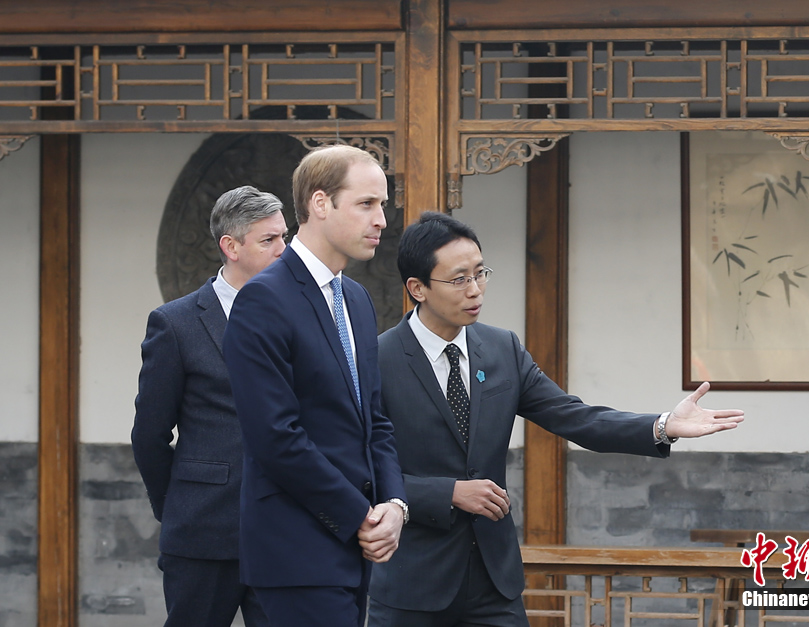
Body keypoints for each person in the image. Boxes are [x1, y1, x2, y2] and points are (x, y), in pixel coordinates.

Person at [368, 211, 745, 627]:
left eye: (481, 273)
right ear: (417, 288)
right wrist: (448, 493)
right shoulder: (375, 359)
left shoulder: (501, 349)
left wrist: (661, 425)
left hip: (495, 585)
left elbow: (572, 416)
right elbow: (361, 471)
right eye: (459, 279)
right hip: (413, 586)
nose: (475, 290)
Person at [221, 145, 408, 627]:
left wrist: (394, 504)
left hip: (356, 546)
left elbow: (376, 420)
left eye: (382, 205)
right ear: (321, 204)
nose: (381, 220)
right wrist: (358, 516)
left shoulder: (357, 299)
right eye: (367, 204)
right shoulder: (263, 299)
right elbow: (275, 437)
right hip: (296, 548)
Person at [132, 185, 289, 627]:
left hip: (285, 531)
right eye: (269, 240)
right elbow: (149, 434)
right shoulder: (175, 323)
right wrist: (178, 505)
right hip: (202, 531)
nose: (284, 249)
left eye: (285, 236)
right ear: (231, 246)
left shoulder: (302, 315)